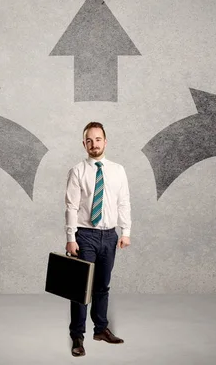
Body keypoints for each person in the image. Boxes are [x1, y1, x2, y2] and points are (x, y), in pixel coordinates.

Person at [64, 121, 132, 357]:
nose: (94, 144)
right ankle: (77, 337)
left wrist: (125, 232)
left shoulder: (118, 170)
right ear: (84, 144)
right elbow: (71, 207)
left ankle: (101, 329)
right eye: (89, 140)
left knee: (102, 286)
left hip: (109, 236)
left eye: (98, 139)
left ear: (105, 141)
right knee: (80, 289)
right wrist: (71, 238)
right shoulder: (77, 171)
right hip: (85, 236)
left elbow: (123, 202)